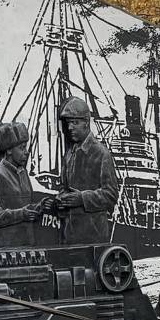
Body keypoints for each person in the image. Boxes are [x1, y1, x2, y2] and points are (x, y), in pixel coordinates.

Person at [54, 96, 118, 244]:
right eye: (69, 123)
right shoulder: (69, 154)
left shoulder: (101, 154)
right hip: (69, 236)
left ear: (86, 123)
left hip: (93, 237)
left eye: (75, 123)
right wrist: (61, 199)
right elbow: (64, 188)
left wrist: (81, 198)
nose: (70, 128)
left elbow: (111, 195)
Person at [0, 121, 42, 247]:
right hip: (7, 249)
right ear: (9, 150)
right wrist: (21, 214)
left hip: (28, 245)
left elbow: (22, 205)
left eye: (26, 147)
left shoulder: (23, 173)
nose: (26, 152)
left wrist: (37, 207)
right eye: (21, 148)